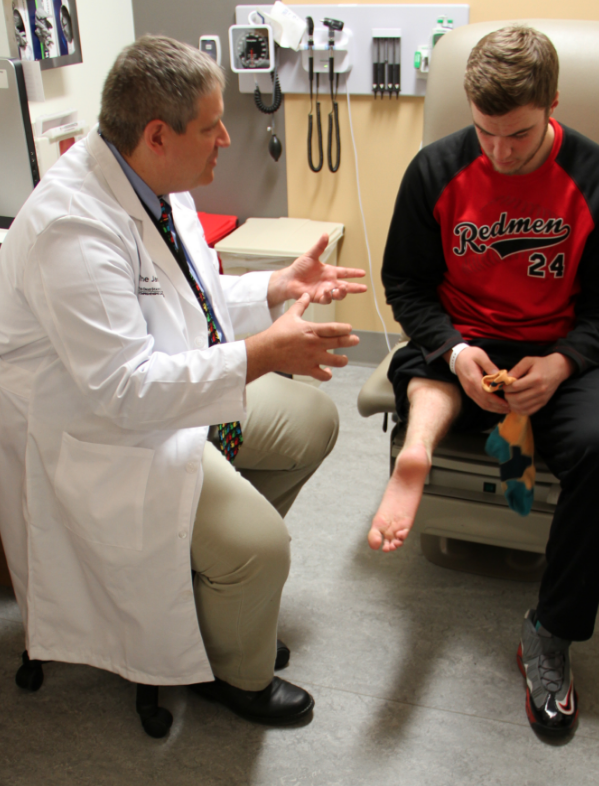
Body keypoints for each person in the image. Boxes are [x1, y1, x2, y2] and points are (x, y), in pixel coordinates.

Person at [0, 35, 366, 725]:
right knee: (259, 547)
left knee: (312, 421)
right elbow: (121, 391)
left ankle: (211, 595)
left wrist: (275, 285)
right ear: (157, 134)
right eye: (211, 126)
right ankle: (235, 675)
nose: (227, 138)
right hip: (96, 435)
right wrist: (259, 353)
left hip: (163, 392)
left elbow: (186, 292)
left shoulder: (157, 179)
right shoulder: (70, 226)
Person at [368, 25, 599, 736]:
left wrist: (561, 363)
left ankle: (549, 633)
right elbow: (403, 282)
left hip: (554, 350)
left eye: (517, 134)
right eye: (484, 132)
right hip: (461, 343)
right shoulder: (435, 169)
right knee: (427, 367)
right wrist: (455, 349)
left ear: (552, 103)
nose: (499, 151)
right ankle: (417, 450)